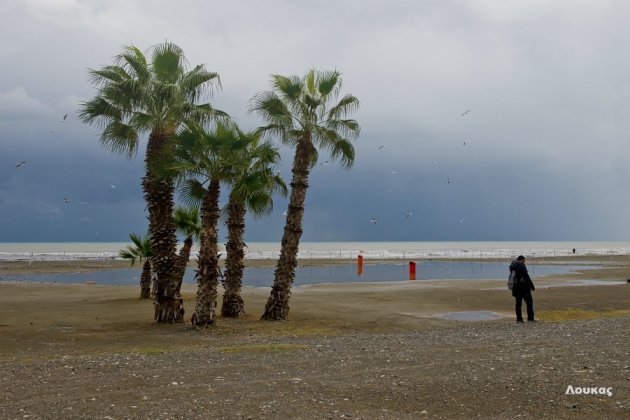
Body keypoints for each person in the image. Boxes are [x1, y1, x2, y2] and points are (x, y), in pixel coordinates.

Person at [509, 255, 537, 323]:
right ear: (522, 260)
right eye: (524, 261)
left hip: (516, 288)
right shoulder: (521, 266)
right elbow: (526, 277)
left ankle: (519, 319)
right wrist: (532, 286)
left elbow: (512, 278)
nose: (524, 262)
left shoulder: (513, 267)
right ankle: (530, 318)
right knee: (529, 302)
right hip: (524, 288)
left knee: (518, 304)